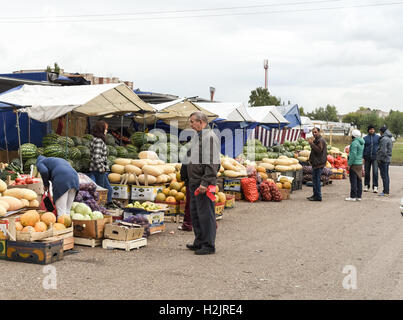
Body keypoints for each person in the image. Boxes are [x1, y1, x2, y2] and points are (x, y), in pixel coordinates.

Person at [186, 111, 220, 255]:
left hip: (203, 183)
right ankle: (199, 241)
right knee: (196, 213)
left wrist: (205, 183)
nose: (191, 124)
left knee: (206, 214)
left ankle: (208, 245)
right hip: (194, 181)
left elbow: (212, 162)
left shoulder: (209, 137)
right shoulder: (198, 136)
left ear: (201, 122)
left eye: (193, 121)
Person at [88, 120, 115, 208]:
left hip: (99, 170)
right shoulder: (99, 141)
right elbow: (96, 157)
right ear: (101, 129)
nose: (107, 131)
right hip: (99, 170)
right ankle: (101, 208)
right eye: (106, 129)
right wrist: (102, 168)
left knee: (108, 190)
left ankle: (108, 204)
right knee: (101, 191)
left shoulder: (96, 140)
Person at [307, 127, 327, 201]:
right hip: (316, 163)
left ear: (319, 132)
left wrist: (311, 144)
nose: (314, 134)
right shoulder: (317, 140)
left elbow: (319, 150)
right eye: (313, 132)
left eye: (315, 132)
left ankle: (318, 196)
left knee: (316, 180)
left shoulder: (320, 140)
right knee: (315, 180)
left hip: (319, 163)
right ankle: (315, 195)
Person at [345, 130, 365, 201]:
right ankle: (359, 196)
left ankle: (353, 196)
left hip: (354, 164)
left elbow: (353, 154)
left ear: (353, 135)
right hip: (359, 163)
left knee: (353, 180)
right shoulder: (362, 142)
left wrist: (349, 164)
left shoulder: (354, 143)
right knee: (359, 179)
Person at [377, 126, 393, 197]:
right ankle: (386, 190)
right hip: (388, 158)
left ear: (381, 132)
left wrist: (380, 159)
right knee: (386, 175)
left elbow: (383, 151)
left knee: (384, 176)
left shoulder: (384, 139)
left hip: (383, 159)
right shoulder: (389, 138)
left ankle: (386, 191)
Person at [363, 125, 380, 193]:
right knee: (367, 172)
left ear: (374, 130)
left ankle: (375, 186)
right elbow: (363, 148)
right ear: (368, 130)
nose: (372, 130)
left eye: (373, 129)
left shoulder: (378, 138)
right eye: (370, 129)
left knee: (375, 172)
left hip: (375, 157)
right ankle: (366, 185)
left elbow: (380, 147)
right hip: (367, 157)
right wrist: (362, 157)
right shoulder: (365, 138)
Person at [178, 163, 192, 232]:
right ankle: (211, 225)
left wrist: (183, 177)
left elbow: (184, 167)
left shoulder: (191, 153)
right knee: (207, 204)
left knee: (190, 204)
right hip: (209, 183)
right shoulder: (213, 152)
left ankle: (188, 224)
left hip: (192, 182)